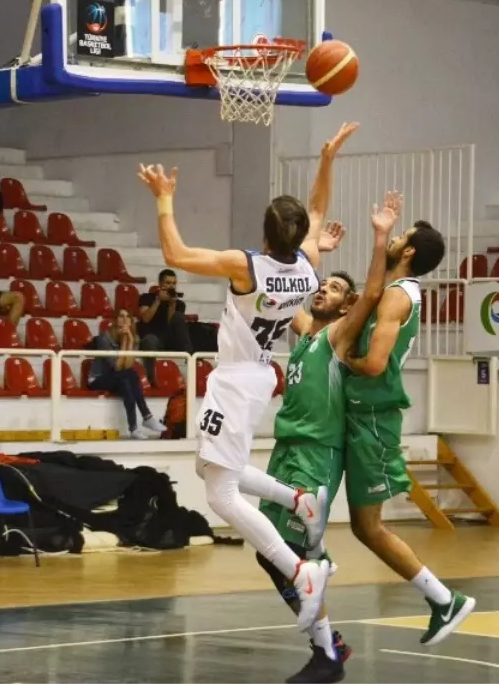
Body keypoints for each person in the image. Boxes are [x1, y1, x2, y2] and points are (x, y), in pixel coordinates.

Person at [136, 121, 360, 633]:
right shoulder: (308, 267)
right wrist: (325, 160)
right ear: (299, 235)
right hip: (258, 374)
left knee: (220, 495)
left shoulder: (247, 267)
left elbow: (175, 256)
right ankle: (297, 498)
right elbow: (319, 211)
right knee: (210, 468)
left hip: (238, 379)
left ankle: (299, 570)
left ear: (264, 232)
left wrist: (164, 198)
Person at [257, 194, 399, 684]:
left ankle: (327, 653)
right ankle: (329, 645)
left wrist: (380, 236)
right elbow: (297, 280)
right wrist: (314, 245)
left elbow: (375, 291)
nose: (325, 290)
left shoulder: (339, 336)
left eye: (336, 288)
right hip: (286, 451)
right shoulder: (305, 332)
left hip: (316, 456)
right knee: (267, 551)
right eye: (324, 285)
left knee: (290, 555)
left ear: (346, 305)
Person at [341, 218, 476, 646]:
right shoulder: (396, 291)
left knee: (369, 528)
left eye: (401, 239)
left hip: (375, 419)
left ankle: (444, 600)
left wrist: (343, 357)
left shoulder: (399, 298)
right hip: (360, 412)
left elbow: (376, 364)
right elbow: (375, 283)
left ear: (411, 252)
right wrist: (381, 235)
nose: (396, 241)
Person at [87, 308, 167, 439]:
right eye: (121, 316)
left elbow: (127, 366)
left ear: (131, 321)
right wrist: (125, 342)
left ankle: (135, 428)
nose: (124, 319)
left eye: (127, 317)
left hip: (118, 377)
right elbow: (117, 367)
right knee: (128, 376)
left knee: (128, 377)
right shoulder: (104, 338)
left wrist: (129, 340)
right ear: (115, 320)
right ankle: (146, 417)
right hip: (98, 379)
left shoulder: (134, 338)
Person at [137, 268, 193, 355]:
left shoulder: (179, 304)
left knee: (178, 316)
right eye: (168, 283)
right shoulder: (146, 297)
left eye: (174, 283)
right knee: (150, 340)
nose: (171, 286)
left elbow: (172, 324)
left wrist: (172, 304)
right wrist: (158, 300)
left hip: (169, 339)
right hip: (151, 337)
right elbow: (145, 319)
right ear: (160, 283)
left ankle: (189, 356)